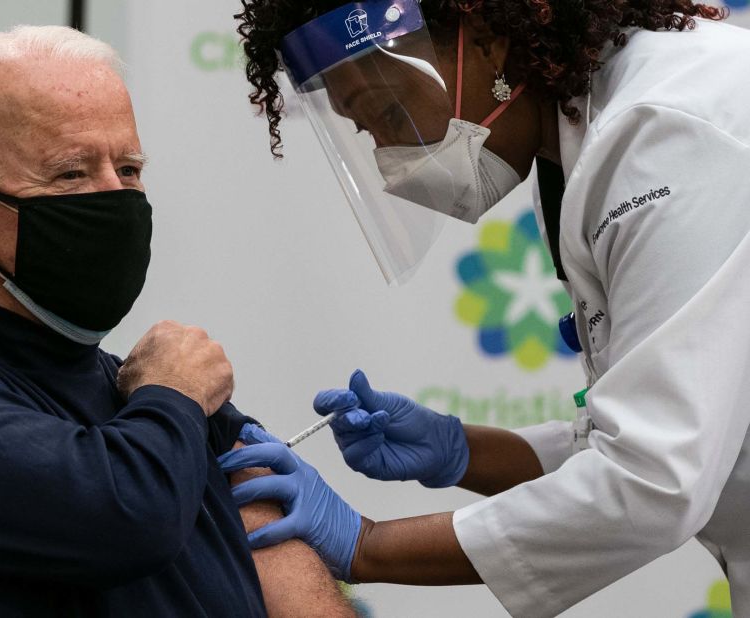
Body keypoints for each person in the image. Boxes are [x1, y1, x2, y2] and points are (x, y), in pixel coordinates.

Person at [220, 0, 750, 615]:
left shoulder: (662, 130)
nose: (390, 161)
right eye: (366, 131)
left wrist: (367, 545)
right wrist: (460, 450)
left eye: (389, 113)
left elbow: (652, 482)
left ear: (489, 43)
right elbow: (654, 442)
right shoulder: (588, 138)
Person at [0, 25, 356, 617]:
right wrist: (176, 392)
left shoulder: (163, 403)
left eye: (129, 169)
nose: (117, 199)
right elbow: (126, 518)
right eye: (72, 173)